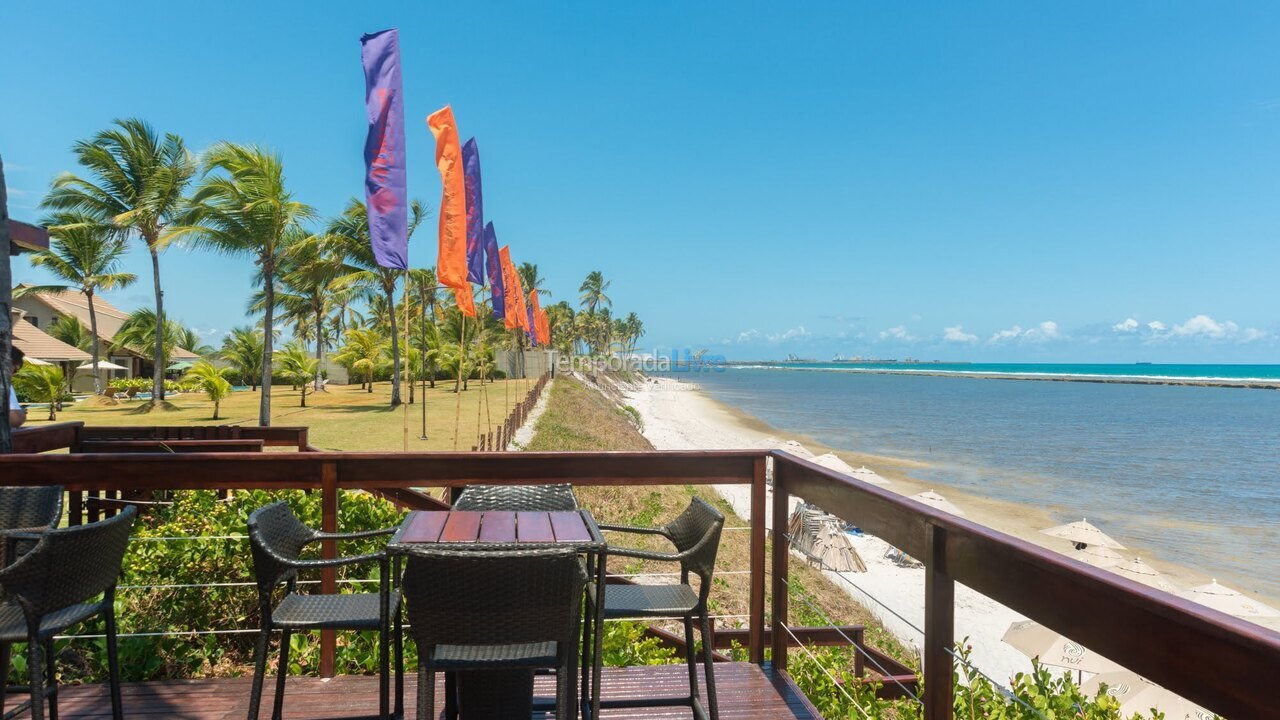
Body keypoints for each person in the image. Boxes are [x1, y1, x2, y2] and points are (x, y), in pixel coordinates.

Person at [6, 345, 27, 428]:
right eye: (15, 370)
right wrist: (22, 414)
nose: (12, 374)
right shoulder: (4, 384)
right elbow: (14, 419)